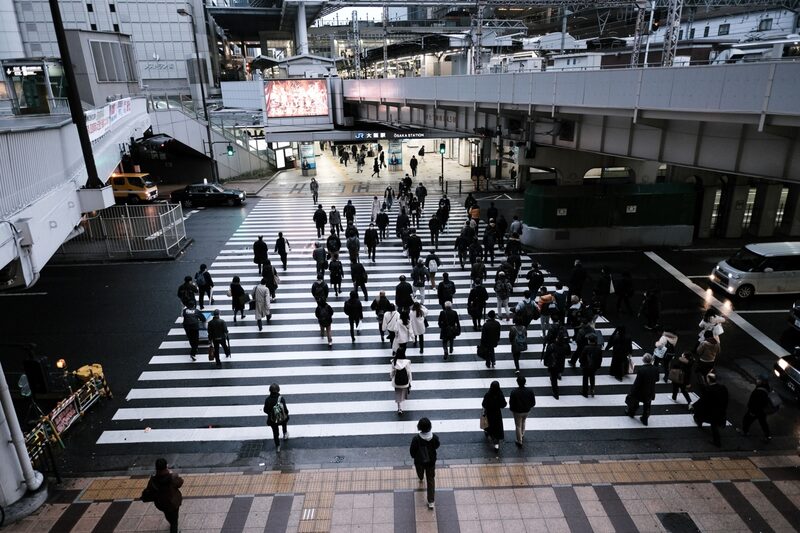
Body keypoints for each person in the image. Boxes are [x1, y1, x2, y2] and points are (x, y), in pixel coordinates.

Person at [141, 458, 183, 533]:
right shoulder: (172, 477)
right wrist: (173, 474)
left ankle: (170, 520)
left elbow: (149, 491)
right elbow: (180, 483)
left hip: (161, 503)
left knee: (167, 514)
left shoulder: (153, 480)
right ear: (166, 466)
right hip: (173, 503)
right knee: (174, 522)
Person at [409, 417, 440, 510]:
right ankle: (431, 501)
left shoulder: (416, 439)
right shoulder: (434, 437)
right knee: (430, 479)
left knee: (420, 470)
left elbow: (412, 451)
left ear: (419, 427)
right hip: (431, 461)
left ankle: (421, 477)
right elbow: (437, 445)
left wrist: (414, 456)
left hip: (419, 461)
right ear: (430, 426)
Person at [693, 373, 728, 446]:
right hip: (720, 410)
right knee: (713, 423)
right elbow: (726, 399)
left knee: (713, 425)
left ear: (708, 380)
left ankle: (717, 442)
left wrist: (693, 405)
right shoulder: (723, 388)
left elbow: (703, 400)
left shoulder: (708, 390)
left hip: (711, 411)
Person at [625, 353, 659, 425]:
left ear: (643, 360)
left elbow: (637, 382)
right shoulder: (655, 369)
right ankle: (645, 419)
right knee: (647, 405)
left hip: (640, 390)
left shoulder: (641, 370)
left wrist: (632, 391)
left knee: (635, 402)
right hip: (650, 390)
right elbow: (657, 379)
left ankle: (631, 413)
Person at [740, 376, 773, 442]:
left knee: (746, 420)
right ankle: (768, 436)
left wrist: (752, 411)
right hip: (762, 411)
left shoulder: (759, 391)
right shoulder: (766, 388)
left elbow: (755, 402)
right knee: (763, 423)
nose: (757, 380)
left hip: (755, 410)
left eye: (759, 380)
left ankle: (745, 432)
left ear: (762, 382)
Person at [509, 375, 536, 448]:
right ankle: (522, 434)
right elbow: (533, 403)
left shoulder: (514, 392)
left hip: (517, 412)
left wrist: (512, 409)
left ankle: (519, 440)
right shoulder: (530, 391)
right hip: (526, 410)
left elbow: (511, 403)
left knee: (518, 425)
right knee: (523, 421)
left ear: (517, 382)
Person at [263, 383, 289, 452]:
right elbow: (285, 410)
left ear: (270, 391)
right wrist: (286, 413)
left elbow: (265, 410)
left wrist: (271, 413)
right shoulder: (281, 399)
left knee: (275, 433)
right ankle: (285, 433)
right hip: (282, 418)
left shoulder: (267, 400)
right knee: (284, 422)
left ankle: (278, 446)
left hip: (272, 420)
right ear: (278, 390)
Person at [482, 381, 507, 451]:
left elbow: (484, 404)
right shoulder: (500, 394)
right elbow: (503, 404)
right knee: (497, 428)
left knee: (489, 426)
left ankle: (488, 433)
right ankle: (496, 444)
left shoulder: (488, 394)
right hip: (497, 413)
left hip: (489, 413)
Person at [544, 333, 569, 399]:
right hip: (560, 364)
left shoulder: (552, 346)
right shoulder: (564, 346)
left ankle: (556, 393)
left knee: (554, 379)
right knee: (556, 374)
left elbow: (547, 355)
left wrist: (545, 362)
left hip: (553, 364)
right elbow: (568, 353)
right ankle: (557, 376)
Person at [390, 347, 412, 415]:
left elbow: (392, 372)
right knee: (403, 390)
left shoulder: (394, 362)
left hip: (396, 381)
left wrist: (391, 377)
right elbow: (409, 372)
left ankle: (399, 408)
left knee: (397, 393)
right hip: (404, 381)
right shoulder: (406, 362)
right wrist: (410, 381)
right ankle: (404, 398)